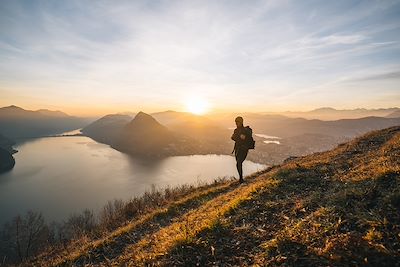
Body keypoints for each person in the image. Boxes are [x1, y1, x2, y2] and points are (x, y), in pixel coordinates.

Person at [231, 116, 251, 183]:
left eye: (238, 122)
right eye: (236, 122)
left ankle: (241, 179)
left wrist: (238, 137)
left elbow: (246, 138)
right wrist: (239, 137)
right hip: (237, 149)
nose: (236, 123)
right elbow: (232, 137)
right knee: (238, 163)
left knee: (238, 163)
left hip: (244, 149)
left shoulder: (246, 130)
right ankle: (241, 178)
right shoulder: (236, 130)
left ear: (241, 122)